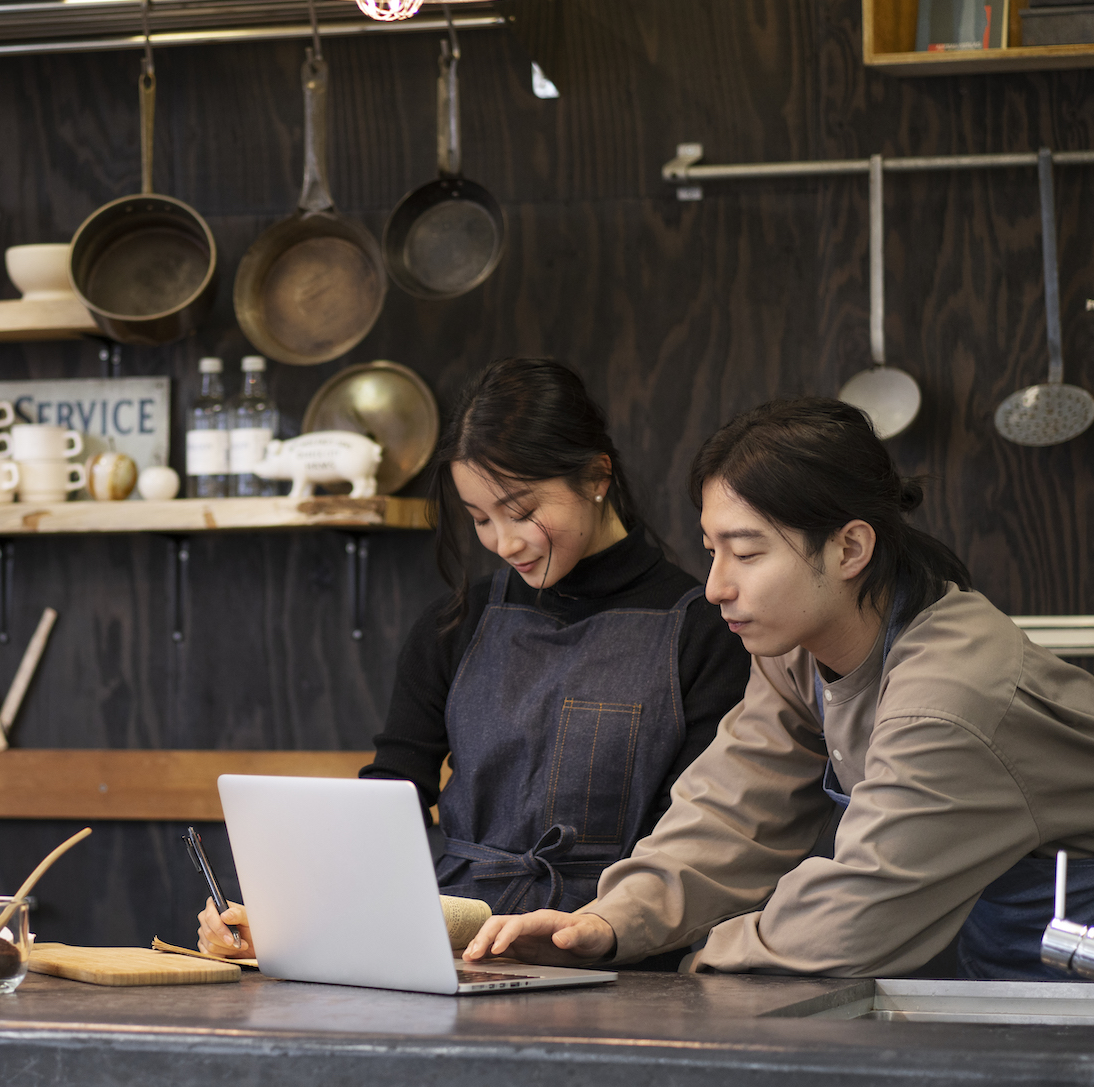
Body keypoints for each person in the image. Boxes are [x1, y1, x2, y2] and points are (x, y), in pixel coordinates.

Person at [463, 396, 1094, 981]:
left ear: (849, 548)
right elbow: (732, 813)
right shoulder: (797, 651)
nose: (715, 588)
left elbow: (852, 921)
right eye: (711, 551)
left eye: (746, 553)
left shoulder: (951, 700)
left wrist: (688, 964)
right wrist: (604, 924)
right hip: (996, 937)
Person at [198, 358, 750, 957]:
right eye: (480, 518)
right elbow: (392, 801)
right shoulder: (456, 621)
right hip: (453, 942)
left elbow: (689, 843)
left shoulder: (705, 628)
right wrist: (287, 919)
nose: (504, 542)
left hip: (614, 947)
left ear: (596, 476)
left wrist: (601, 928)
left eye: (521, 511)